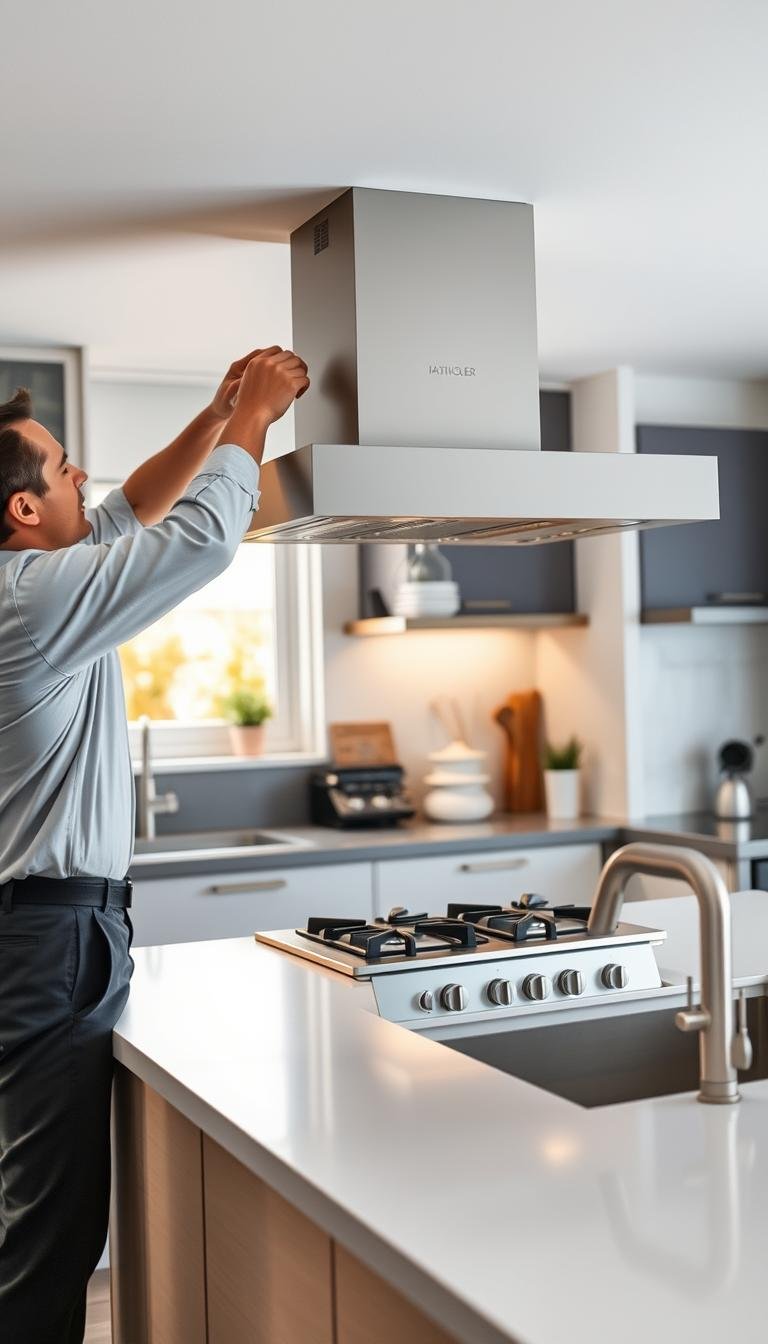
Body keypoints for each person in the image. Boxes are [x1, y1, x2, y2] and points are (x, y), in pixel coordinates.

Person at [0, 345, 309, 1342]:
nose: (82, 473)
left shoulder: (31, 580)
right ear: (24, 509)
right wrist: (255, 418)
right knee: (48, 1234)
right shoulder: (36, 600)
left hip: (42, 933)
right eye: (63, 467)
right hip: (50, 940)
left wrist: (215, 415)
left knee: (36, 1216)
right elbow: (201, 540)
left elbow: (131, 507)